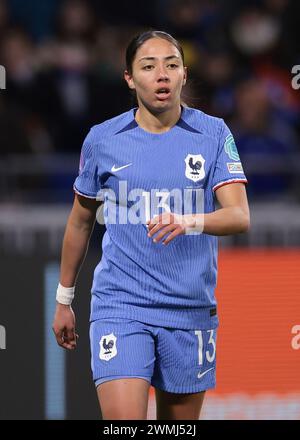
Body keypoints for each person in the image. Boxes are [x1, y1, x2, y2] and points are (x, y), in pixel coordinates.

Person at [52, 30, 250, 420]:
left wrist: (189, 220)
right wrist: (63, 299)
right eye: (148, 66)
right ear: (129, 77)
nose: (162, 75)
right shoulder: (103, 140)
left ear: (184, 75)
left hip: (190, 309)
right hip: (121, 304)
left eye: (171, 65)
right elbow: (80, 221)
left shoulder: (213, 134)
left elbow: (239, 216)